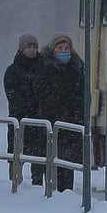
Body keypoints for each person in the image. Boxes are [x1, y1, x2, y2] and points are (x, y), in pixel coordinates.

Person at [38, 34, 87, 192]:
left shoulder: (77, 67)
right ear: (53, 49)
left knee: (68, 162)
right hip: (52, 122)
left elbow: (82, 95)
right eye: (60, 48)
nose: (64, 51)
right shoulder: (45, 67)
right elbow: (41, 94)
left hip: (71, 123)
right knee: (52, 158)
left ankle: (67, 191)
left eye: (67, 48)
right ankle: (53, 190)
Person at [4, 34, 49, 185]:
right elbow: (12, 95)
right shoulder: (12, 71)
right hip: (19, 121)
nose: (32, 49)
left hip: (39, 122)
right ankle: (15, 183)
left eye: (34, 46)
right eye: (28, 46)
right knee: (16, 155)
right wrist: (30, 105)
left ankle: (37, 183)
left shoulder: (44, 68)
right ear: (21, 48)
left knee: (39, 158)